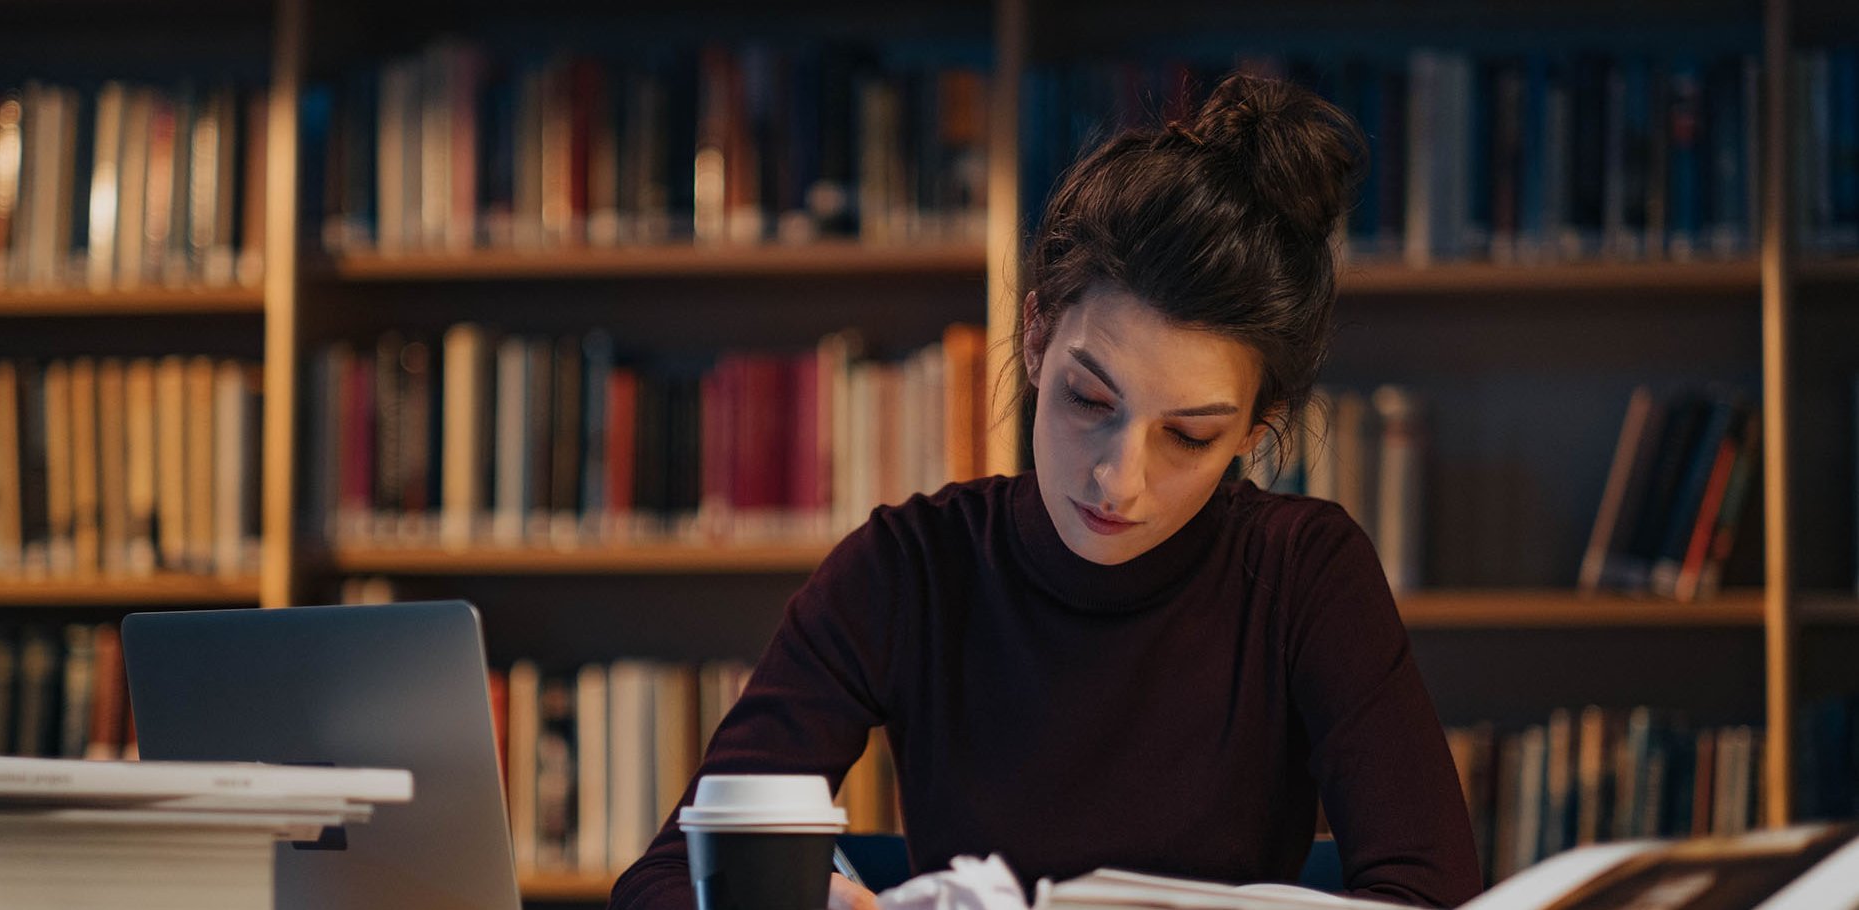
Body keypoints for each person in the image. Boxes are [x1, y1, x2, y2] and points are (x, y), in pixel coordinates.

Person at [608, 73, 1485, 910]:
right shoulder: (908, 569)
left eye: (1190, 435)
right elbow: (664, 881)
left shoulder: (1305, 576)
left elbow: (1431, 894)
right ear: (1034, 339)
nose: (1118, 479)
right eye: (1089, 400)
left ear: (1256, 429)